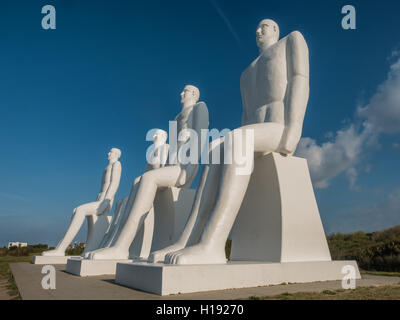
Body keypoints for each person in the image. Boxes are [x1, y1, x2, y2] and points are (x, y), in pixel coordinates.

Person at [150, 19, 310, 265]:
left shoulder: (291, 41)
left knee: (237, 138)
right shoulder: (246, 73)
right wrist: (232, 145)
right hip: (253, 134)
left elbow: (300, 79)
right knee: (215, 147)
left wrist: (294, 128)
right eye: (256, 27)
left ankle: (212, 243)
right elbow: (247, 115)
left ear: (276, 30)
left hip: (278, 128)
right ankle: (186, 240)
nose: (258, 30)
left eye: (264, 26)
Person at [89, 85, 209, 260]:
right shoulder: (176, 118)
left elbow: (201, 136)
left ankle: (121, 247)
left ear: (194, 94)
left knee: (147, 178)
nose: (181, 94)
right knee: (138, 181)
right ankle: (118, 242)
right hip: (172, 166)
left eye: (185, 91)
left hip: (184, 167)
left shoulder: (200, 107)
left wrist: (188, 169)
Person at [43, 148, 122, 256]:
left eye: (111, 152)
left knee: (80, 210)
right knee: (75, 210)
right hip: (99, 199)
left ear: (117, 154)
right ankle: (61, 247)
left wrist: (106, 202)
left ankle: (61, 249)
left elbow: (114, 184)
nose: (108, 153)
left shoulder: (117, 164)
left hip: (105, 201)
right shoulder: (106, 168)